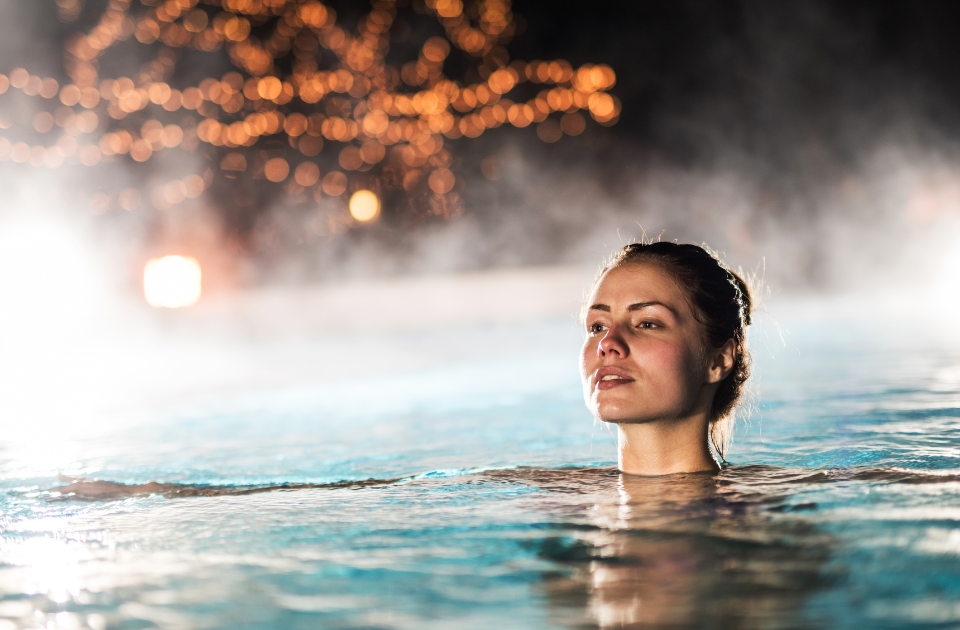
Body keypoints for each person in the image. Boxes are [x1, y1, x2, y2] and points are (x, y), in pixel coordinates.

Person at [580, 241, 752, 476]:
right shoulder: (550, 498)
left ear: (718, 361)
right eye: (598, 326)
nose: (607, 342)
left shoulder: (764, 508)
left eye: (647, 323)